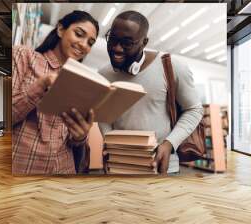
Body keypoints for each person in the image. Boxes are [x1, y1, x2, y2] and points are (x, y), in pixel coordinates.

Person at [98, 11, 203, 174]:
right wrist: (108, 142)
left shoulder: (172, 66)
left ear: (144, 42)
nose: (116, 49)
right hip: (119, 163)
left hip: (161, 166)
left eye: (127, 43)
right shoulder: (104, 74)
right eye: (113, 40)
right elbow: (104, 114)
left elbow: (194, 109)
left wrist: (169, 144)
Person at [12, 10, 99, 175]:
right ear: (60, 29)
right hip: (24, 168)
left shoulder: (81, 81)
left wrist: (80, 136)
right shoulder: (24, 56)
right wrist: (41, 85)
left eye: (90, 42)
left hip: (64, 170)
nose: (83, 44)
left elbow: (73, 138)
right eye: (79, 34)